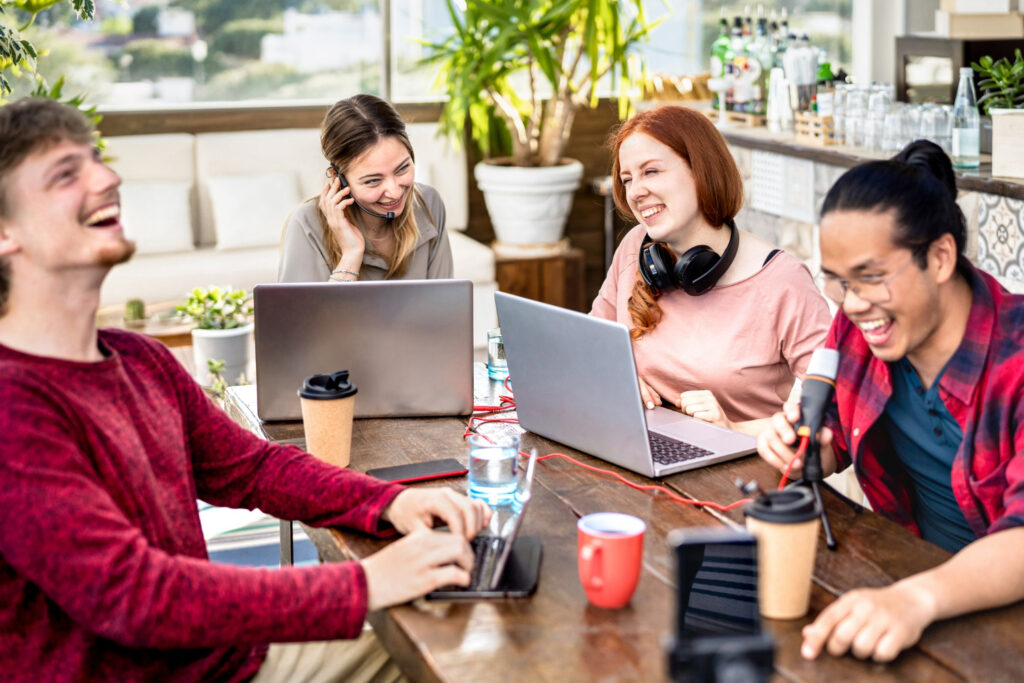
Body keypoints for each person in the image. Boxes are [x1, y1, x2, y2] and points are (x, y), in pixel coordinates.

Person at [0, 97, 490, 681]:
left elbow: (255, 469)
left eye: (96, 162)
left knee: (461, 651)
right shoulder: (14, 407)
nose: (109, 178)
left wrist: (391, 502)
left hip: (225, 659)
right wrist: (366, 582)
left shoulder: (143, 361)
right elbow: (136, 597)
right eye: (65, 174)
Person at [757, 140, 1024, 663]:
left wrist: (916, 598)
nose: (852, 305)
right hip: (913, 586)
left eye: (871, 278)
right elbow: (831, 427)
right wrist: (808, 445)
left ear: (941, 257)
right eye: (837, 282)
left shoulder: (1015, 359)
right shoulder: (861, 324)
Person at [591, 105, 831, 435]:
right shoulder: (635, 247)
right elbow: (592, 345)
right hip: (637, 450)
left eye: (652, 172)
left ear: (701, 170)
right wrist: (619, 373)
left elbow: (834, 415)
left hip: (739, 475)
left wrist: (732, 427)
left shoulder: (783, 281)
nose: (635, 192)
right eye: (627, 179)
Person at [278, 94, 453, 283]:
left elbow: (446, 307)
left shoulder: (429, 204)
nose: (394, 192)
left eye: (402, 168)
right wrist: (351, 256)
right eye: (373, 181)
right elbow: (301, 314)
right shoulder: (306, 224)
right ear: (339, 179)